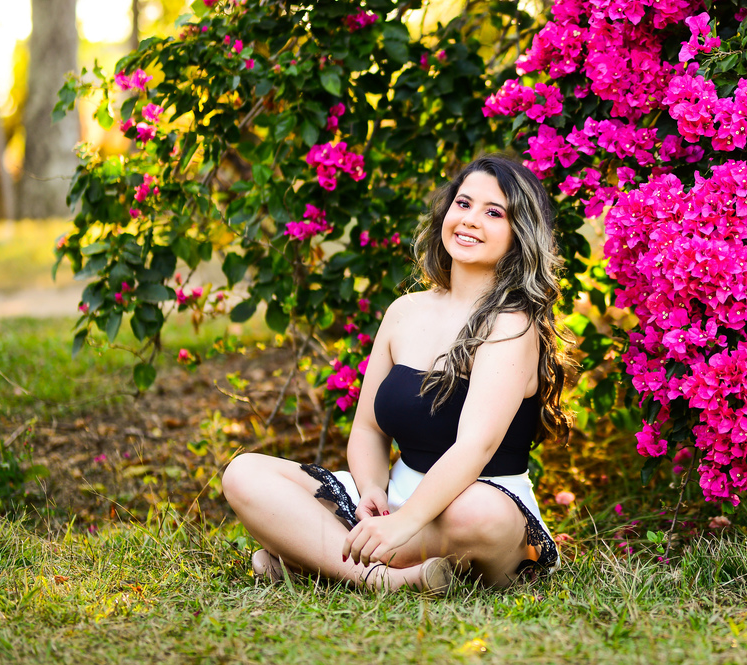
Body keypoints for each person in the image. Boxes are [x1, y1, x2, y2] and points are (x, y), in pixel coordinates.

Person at [222, 155, 571, 593]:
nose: (470, 220)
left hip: (479, 508)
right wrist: (372, 490)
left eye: (493, 212)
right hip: (393, 506)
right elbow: (368, 427)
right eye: (462, 204)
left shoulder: (511, 325)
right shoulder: (405, 311)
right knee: (244, 473)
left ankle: (312, 558)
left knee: (480, 513)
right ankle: (381, 577)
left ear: (518, 235)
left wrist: (406, 521)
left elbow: (474, 448)